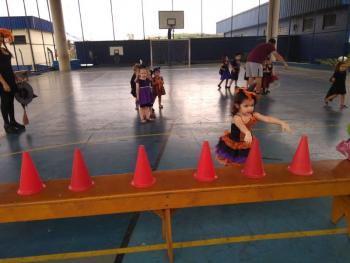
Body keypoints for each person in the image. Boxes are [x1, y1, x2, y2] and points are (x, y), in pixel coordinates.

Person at [215, 88, 291, 166]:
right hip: (235, 144)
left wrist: (281, 122)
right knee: (231, 161)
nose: (250, 108)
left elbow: (267, 119)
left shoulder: (254, 115)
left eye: (252, 105)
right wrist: (247, 132)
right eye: (246, 106)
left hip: (246, 142)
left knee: (244, 162)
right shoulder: (237, 117)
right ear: (237, 106)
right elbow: (241, 126)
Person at [0, 28, 25, 134]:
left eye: (1, 37)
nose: (0, 38)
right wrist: (4, 83)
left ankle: (13, 121)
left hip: (10, 78)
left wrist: (15, 76)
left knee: (11, 101)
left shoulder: (4, 49)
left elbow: (8, 66)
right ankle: (6, 124)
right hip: (2, 80)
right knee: (5, 102)